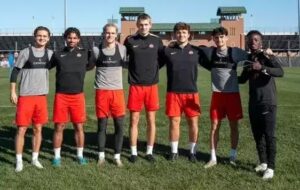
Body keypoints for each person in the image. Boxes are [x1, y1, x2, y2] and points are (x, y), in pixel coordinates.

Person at [239, 30, 284, 180]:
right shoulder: (248, 59)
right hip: (254, 102)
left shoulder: (266, 56)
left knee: (269, 135)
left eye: (256, 40)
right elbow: (243, 79)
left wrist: (262, 68)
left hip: (267, 102)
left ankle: (271, 167)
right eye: (250, 40)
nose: (253, 42)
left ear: (261, 42)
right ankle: (263, 162)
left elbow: (280, 71)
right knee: (257, 134)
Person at [202, 27, 248, 168]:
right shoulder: (210, 53)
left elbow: (251, 58)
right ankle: (213, 158)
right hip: (217, 95)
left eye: (222, 37)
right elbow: (194, 50)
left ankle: (232, 157)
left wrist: (243, 78)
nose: (219, 40)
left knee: (234, 126)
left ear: (226, 38)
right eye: (216, 37)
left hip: (233, 95)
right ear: (213, 39)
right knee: (215, 127)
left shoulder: (235, 52)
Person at [10, 26, 53, 172]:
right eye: (39, 35)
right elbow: (15, 72)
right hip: (26, 96)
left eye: (44, 36)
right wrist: (13, 92)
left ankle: (35, 158)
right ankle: (19, 160)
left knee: (38, 128)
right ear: (34, 37)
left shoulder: (50, 54)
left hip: (41, 97)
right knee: (21, 129)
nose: (42, 38)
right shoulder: (26, 52)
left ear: (49, 38)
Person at [124, 13, 164, 163]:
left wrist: (153, 71)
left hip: (151, 86)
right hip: (135, 86)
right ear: (137, 25)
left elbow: (163, 59)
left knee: (151, 120)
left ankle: (149, 151)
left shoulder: (157, 40)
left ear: (150, 25)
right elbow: (123, 57)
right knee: (134, 120)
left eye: (146, 24)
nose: (143, 27)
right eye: (141, 25)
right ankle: (133, 152)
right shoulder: (130, 40)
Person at [161, 22, 203, 162]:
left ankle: (192, 152)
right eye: (178, 32)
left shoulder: (197, 51)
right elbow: (153, 64)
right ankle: (174, 152)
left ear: (189, 35)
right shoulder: (168, 51)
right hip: (173, 92)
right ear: (174, 35)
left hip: (191, 93)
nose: (181, 35)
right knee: (174, 122)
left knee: (193, 123)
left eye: (184, 32)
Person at [49, 27, 90, 167]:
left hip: (78, 95)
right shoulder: (58, 54)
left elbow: (92, 65)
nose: (72, 40)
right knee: (59, 126)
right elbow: (46, 66)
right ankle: (57, 157)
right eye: (69, 37)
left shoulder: (85, 53)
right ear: (65, 38)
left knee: (79, 126)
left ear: (78, 39)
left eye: (74, 38)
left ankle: (80, 156)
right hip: (61, 95)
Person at [88, 23, 127, 167]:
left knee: (119, 125)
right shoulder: (96, 50)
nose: (110, 35)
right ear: (103, 33)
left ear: (116, 34)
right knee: (102, 125)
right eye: (107, 32)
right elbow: (88, 66)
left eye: (112, 33)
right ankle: (101, 156)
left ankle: (117, 156)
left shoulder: (122, 49)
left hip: (117, 91)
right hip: (102, 91)